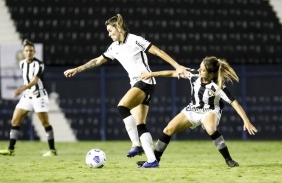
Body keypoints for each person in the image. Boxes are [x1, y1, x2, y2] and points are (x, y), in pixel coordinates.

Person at [64, 14, 188, 168]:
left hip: (145, 82)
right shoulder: (114, 47)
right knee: (140, 124)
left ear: (119, 28)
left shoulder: (136, 40)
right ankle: (152, 160)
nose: (109, 34)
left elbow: (158, 51)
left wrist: (177, 66)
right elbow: (97, 61)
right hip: (137, 84)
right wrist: (77, 69)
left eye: (110, 31)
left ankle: (136, 144)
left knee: (122, 107)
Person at [137, 56, 258, 168]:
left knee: (210, 128)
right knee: (168, 129)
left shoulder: (218, 86)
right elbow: (173, 73)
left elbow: (234, 103)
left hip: (210, 110)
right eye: (200, 67)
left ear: (211, 74)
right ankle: (154, 160)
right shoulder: (194, 75)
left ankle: (228, 160)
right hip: (192, 109)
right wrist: (151, 74)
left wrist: (246, 121)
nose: (199, 70)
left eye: (203, 70)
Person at [0, 39, 57, 157]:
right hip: (27, 97)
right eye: (26, 50)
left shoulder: (39, 64)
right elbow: (26, 79)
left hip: (39, 96)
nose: (29, 52)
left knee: (45, 122)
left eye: (31, 50)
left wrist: (21, 89)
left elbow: (35, 80)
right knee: (15, 120)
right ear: (23, 52)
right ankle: (11, 149)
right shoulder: (22, 64)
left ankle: (52, 150)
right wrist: (24, 91)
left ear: (34, 52)